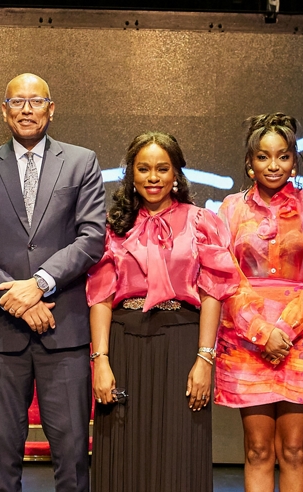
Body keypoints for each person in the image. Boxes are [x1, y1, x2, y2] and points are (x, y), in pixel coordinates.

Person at [0, 73, 106, 492]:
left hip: (64, 330)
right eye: (16, 102)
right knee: (2, 462)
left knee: (73, 460)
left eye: (35, 101)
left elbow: (92, 237)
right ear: (4, 111)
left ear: (51, 109)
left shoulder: (81, 162)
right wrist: (16, 299)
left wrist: (39, 283)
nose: (26, 109)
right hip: (1, 333)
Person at [86, 131, 237, 492]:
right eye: (143, 169)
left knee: (179, 454)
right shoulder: (113, 227)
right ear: (131, 174)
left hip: (182, 344)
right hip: (124, 345)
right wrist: (100, 361)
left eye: (162, 168)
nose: (153, 177)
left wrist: (205, 359)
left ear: (176, 174)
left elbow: (213, 293)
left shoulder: (201, 222)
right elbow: (101, 297)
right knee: (123, 456)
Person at [211, 113, 303, 492]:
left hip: (302, 338)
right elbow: (225, 275)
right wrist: (261, 331)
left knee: (296, 449)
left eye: (283, 156)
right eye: (263, 157)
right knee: (258, 449)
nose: (273, 165)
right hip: (245, 340)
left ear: (294, 161)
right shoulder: (231, 208)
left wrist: (284, 328)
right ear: (250, 163)